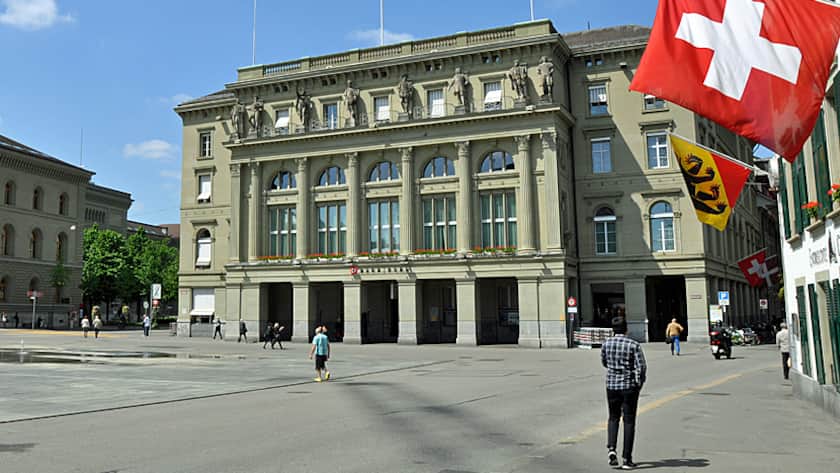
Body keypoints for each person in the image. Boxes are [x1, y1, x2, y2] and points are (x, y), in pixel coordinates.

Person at [602, 316, 646, 470]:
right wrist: (639, 384)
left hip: (611, 386)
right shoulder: (633, 345)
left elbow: (604, 362)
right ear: (626, 329)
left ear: (613, 330)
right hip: (628, 386)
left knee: (613, 417)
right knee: (629, 421)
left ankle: (611, 449)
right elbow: (641, 367)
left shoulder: (606, 343)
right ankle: (627, 458)